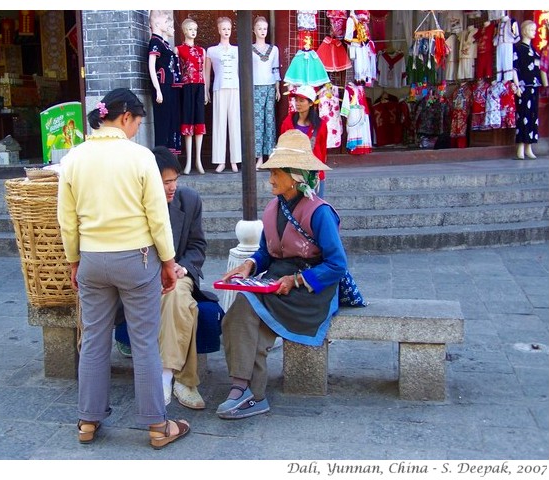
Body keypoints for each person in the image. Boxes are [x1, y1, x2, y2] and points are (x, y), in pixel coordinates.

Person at [57, 88, 189, 448]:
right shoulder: (140, 157)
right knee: (145, 341)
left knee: (95, 339)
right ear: (126, 118)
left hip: (92, 259)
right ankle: (157, 427)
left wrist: (74, 259)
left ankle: (87, 420)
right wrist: (168, 261)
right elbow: (157, 217)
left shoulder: (74, 158)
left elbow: (66, 220)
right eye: (137, 123)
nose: (136, 130)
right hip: (137, 257)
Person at [215, 130, 347, 419]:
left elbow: (337, 265)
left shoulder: (320, 213)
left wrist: (296, 280)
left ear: (295, 176)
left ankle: (243, 391)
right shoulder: (274, 207)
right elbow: (268, 252)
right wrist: (250, 265)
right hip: (276, 282)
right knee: (245, 319)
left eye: (276, 172)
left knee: (243, 310)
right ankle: (248, 392)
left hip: (310, 290)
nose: (271, 179)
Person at [114, 145, 219, 410]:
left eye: (175, 180)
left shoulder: (189, 200)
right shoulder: (134, 205)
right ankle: (185, 381)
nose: (172, 187)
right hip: (143, 273)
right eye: (165, 182)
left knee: (176, 294)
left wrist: (183, 267)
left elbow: (197, 246)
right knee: (187, 308)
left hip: (178, 272)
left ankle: (164, 376)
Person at [205, 16, 241, 173]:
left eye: (228, 28)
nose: (226, 31)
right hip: (219, 87)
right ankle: (220, 161)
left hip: (235, 87)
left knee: (235, 123)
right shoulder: (212, 51)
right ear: (219, 30)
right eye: (223, 28)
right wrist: (206, 90)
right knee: (219, 124)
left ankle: (235, 160)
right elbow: (206, 72)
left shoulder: (238, 50)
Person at [280, 85, 329, 198]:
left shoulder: (320, 125)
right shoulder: (287, 123)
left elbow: (322, 150)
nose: (297, 103)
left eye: (301, 100)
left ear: (311, 103)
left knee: (314, 211)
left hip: (314, 176)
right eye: (296, 100)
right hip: (292, 176)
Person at [512, 19, 548, 160]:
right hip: (523, 86)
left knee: (532, 116)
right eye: (532, 30)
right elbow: (514, 68)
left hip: (534, 86)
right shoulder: (518, 48)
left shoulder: (534, 50)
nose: (534, 32)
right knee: (523, 116)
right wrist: (517, 85)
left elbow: (540, 68)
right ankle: (520, 147)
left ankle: (529, 146)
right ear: (525, 30)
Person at [148, 10, 182, 155]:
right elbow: (151, 66)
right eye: (165, 22)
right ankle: (161, 157)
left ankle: (169, 156)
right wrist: (158, 89)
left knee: (170, 120)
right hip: (162, 85)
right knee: (162, 122)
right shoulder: (155, 42)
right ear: (156, 23)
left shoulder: (164, 43)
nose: (168, 24)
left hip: (170, 86)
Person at [175, 18, 207, 175]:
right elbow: (177, 71)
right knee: (188, 122)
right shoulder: (178, 49)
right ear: (184, 31)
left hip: (200, 87)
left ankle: (198, 160)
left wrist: (206, 91)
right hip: (186, 87)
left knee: (199, 122)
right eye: (190, 29)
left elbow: (204, 72)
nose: (193, 32)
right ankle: (188, 161)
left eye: (195, 29)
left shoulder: (202, 50)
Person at [252, 15, 281, 169]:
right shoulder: (249, 49)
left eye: (265, 28)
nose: (263, 31)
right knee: (257, 123)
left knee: (269, 121)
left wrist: (277, 88)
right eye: (259, 28)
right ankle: (258, 157)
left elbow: (275, 69)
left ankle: (270, 155)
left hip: (270, 86)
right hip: (255, 87)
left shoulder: (273, 49)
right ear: (254, 30)